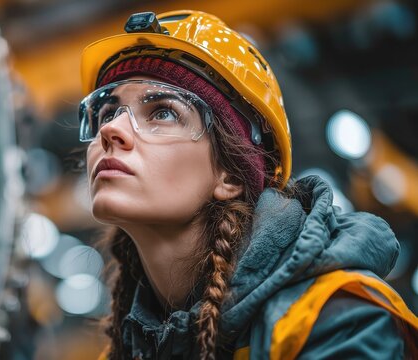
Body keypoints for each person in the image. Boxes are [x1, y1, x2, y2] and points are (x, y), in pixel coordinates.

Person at [78, 10, 418, 360]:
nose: (110, 130)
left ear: (231, 176)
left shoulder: (337, 320)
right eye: (107, 113)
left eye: (163, 112)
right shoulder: (125, 349)